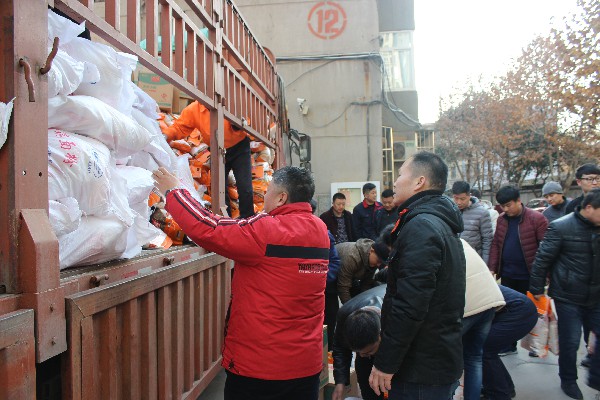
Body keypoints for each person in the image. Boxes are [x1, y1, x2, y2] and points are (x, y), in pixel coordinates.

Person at [152, 165, 330, 400]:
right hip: (305, 367)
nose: (264, 196)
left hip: (259, 368)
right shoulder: (320, 231)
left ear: (281, 198)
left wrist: (174, 192)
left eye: (267, 190)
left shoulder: (267, 230)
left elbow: (209, 228)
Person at [369, 152, 466, 399]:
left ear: (419, 182)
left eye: (401, 174)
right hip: (432, 360)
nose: (395, 181)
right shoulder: (434, 221)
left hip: (422, 368)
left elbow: (410, 304)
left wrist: (386, 362)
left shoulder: (422, 226)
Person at [529, 189, 600, 400]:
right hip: (568, 296)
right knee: (570, 342)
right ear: (589, 208)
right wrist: (536, 290)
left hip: (596, 295)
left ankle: (596, 378)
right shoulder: (561, 227)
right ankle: (568, 380)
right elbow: (542, 259)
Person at [162, 101, 255, 218]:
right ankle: (226, 221)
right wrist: (165, 135)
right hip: (217, 150)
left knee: (245, 187)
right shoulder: (194, 109)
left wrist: (238, 125)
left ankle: (249, 219)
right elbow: (180, 127)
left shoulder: (230, 102)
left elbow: (246, 119)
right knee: (219, 190)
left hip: (239, 148)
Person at [488, 185, 547, 356]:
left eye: (508, 205)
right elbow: (496, 244)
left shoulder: (536, 219)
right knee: (509, 312)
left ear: (518, 201)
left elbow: (546, 249)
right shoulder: (502, 220)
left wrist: (544, 276)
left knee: (534, 312)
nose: (506, 209)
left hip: (530, 274)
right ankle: (509, 345)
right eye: (502, 206)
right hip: (508, 273)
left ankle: (535, 345)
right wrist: (492, 268)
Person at [461, 239, 505, 400]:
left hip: (469, 307)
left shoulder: (428, 244)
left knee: (443, 357)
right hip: (489, 301)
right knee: (474, 358)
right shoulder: (460, 241)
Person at [481, 286, 538, 400]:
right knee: (487, 351)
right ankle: (505, 388)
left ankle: (499, 394)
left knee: (483, 351)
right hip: (519, 309)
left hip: (517, 312)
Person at [332, 285, 387, 400]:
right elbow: (340, 347)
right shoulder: (345, 314)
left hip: (395, 348)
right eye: (358, 352)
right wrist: (340, 381)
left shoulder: (396, 317)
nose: (362, 355)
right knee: (367, 383)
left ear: (380, 335)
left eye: (368, 352)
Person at [311, 199, 341, 349]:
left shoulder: (323, 232)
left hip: (326, 290)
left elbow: (334, 262)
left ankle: (327, 354)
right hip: (305, 292)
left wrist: (322, 278)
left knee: (328, 325)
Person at [336, 238, 390, 304]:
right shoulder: (352, 257)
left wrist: (364, 303)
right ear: (372, 250)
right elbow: (343, 287)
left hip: (351, 276)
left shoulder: (373, 259)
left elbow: (366, 283)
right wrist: (350, 307)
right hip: (331, 275)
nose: (378, 265)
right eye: (378, 261)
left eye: (381, 262)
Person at [452, 181, 494, 264]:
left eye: (462, 199)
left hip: (474, 260)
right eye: (456, 198)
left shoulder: (482, 213)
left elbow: (487, 240)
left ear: (469, 196)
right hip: (454, 259)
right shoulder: (450, 211)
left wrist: (485, 263)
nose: (459, 202)